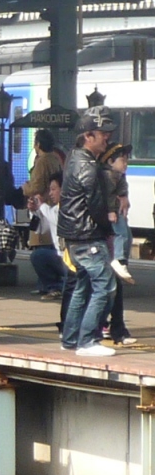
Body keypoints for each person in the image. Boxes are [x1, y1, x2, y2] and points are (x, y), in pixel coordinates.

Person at [59, 107, 118, 357]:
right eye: (102, 133)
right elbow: (95, 205)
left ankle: (70, 339)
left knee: (82, 287)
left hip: (74, 236)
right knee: (105, 286)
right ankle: (86, 341)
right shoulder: (88, 166)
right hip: (88, 235)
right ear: (88, 136)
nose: (107, 138)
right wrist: (108, 231)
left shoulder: (74, 159)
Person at [96, 143, 136, 346]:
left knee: (113, 286)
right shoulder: (105, 177)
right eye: (123, 159)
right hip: (106, 240)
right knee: (107, 286)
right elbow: (108, 202)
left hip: (113, 239)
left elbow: (121, 194)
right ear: (110, 161)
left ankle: (112, 327)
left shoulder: (118, 178)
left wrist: (125, 197)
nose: (126, 163)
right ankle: (107, 327)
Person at [27, 175, 67, 299]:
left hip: (72, 258)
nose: (50, 193)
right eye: (50, 190)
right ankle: (54, 287)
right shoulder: (53, 209)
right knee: (38, 255)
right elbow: (41, 229)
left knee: (72, 289)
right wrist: (34, 211)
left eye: (53, 189)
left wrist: (42, 205)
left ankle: (62, 287)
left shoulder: (68, 208)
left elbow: (56, 219)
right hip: (60, 256)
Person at [22, 130, 64, 205]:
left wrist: (25, 188)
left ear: (38, 144)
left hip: (43, 205)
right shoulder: (55, 159)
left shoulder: (42, 162)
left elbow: (37, 188)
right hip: (55, 204)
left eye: (35, 143)